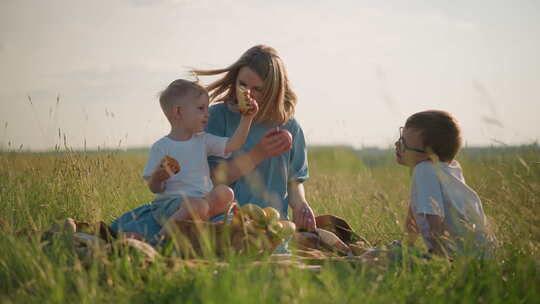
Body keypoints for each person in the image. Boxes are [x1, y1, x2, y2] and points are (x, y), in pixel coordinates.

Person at [110, 79, 258, 242]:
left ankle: (196, 225)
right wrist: (159, 176)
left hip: (202, 201)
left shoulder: (203, 140)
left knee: (225, 192)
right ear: (178, 112)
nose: (207, 114)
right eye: (201, 108)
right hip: (170, 205)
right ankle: (159, 239)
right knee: (198, 206)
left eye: (206, 108)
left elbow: (233, 144)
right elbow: (154, 188)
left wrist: (247, 119)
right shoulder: (161, 147)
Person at [192, 45, 317, 235]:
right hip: (224, 224)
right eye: (242, 85)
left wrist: (301, 206)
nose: (248, 94)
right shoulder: (217, 116)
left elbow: (295, 182)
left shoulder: (289, 125)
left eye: (257, 89)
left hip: (273, 227)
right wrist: (258, 154)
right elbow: (211, 179)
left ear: (273, 91)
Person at [396, 110, 496, 258]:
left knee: (380, 259)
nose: (397, 144)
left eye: (404, 144)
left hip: (457, 258)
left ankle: (355, 257)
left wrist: (439, 261)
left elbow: (435, 222)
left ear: (429, 157)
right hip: (480, 255)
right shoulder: (448, 168)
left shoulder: (424, 170)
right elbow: (413, 215)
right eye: (400, 138)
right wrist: (406, 247)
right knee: (392, 255)